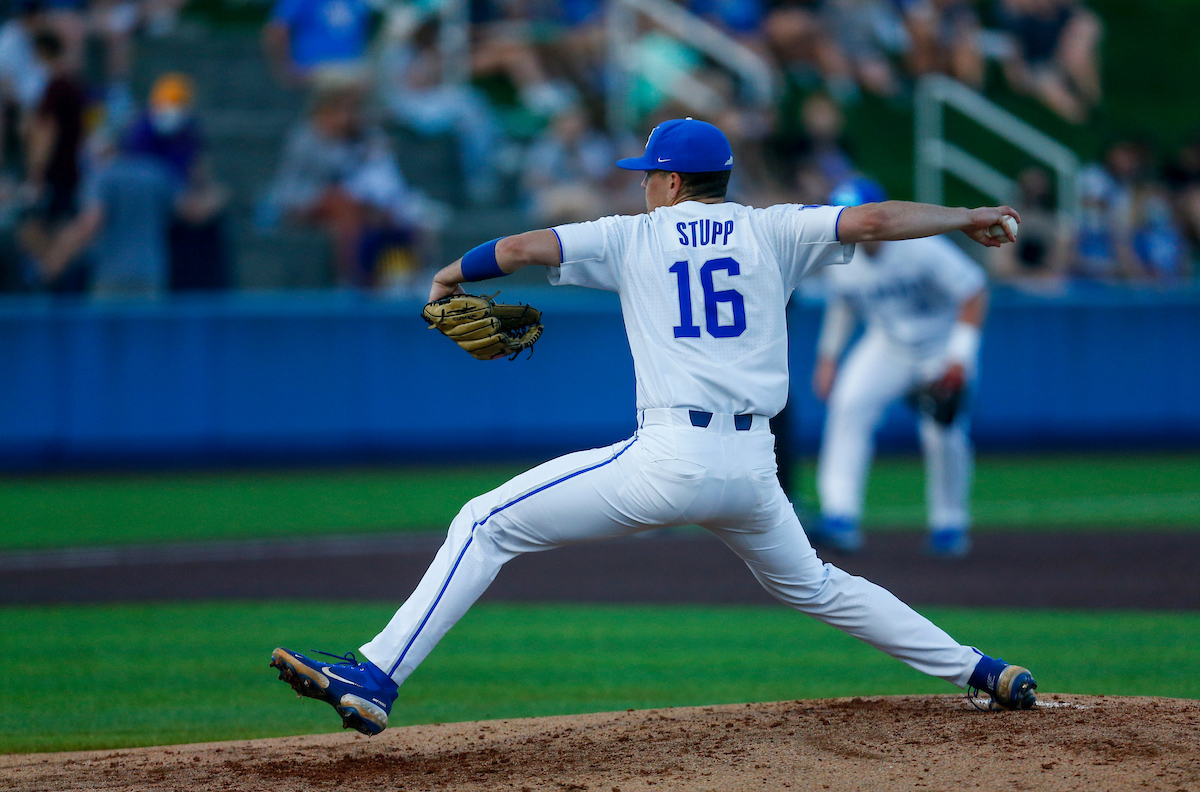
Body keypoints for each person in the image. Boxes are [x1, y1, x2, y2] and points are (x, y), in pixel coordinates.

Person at [269, 117, 1035, 736]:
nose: (644, 188)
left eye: (649, 176)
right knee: (821, 587)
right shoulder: (774, 230)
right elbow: (873, 218)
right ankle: (979, 669)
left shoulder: (633, 236)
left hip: (669, 458)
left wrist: (446, 276)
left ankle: (375, 675)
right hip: (753, 473)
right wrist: (965, 217)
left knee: (484, 523)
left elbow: (520, 248)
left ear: (670, 182)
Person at [808, 175, 987, 558]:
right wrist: (828, 358)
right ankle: (840, 515)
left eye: (856, 213)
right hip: (886, 343)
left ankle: (950, 524)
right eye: (844, 214)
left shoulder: (922, 247)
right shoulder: (841, 254)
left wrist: (960, 357)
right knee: (848, 405)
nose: (851, 222)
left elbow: (973, 291)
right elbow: (842, 306)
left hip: (940, 344)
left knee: (943, 432)